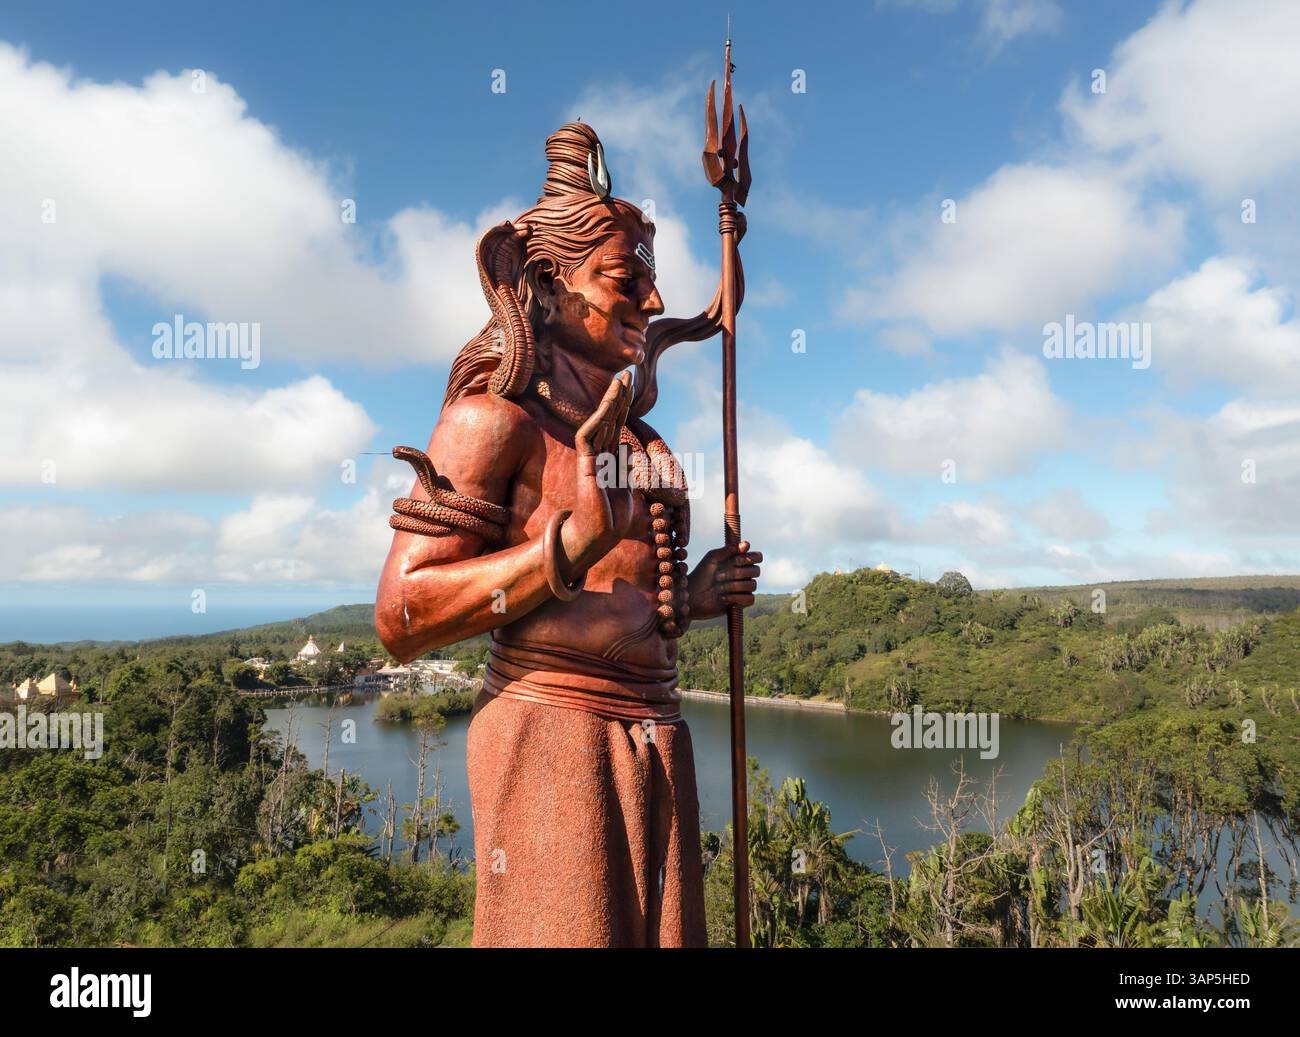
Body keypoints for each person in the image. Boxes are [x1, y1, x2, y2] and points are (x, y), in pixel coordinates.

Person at [375, 122, 761, 947]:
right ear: (547, 287)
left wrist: (685, 599)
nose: (652, 303)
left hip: (658, 732)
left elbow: (714, 315)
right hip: (552, 733)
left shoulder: (636, 443)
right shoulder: (492, 424)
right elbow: (402, 615)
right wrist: (562, 548)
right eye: (627, 278)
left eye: (652, 282)